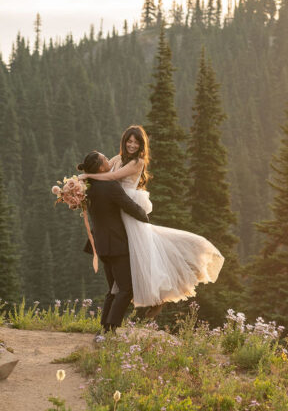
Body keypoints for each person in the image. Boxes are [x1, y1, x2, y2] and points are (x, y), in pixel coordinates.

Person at [79, 125, 224, 311]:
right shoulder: (118, 158)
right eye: (129, 141)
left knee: (141, 247)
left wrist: (85, 176)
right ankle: (115, 308)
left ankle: (155, 288)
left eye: (136, 142)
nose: (131, 145)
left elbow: (112, 176)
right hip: (117, 204)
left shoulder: (137, 162)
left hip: (126, 202)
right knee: (126, 247)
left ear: (141, 145)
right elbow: (104, 168)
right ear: (125, 141)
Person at [78, 150, 150, 332]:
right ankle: (110, 329)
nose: (108, 159)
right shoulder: (110, 186)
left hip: (101, 246)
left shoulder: (89, 187)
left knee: (113, 289)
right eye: (104, 158)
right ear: (101, 167)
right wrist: (144, 216)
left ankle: (104, 329)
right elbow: (129, 206)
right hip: (117, 245)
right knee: (126, 289)